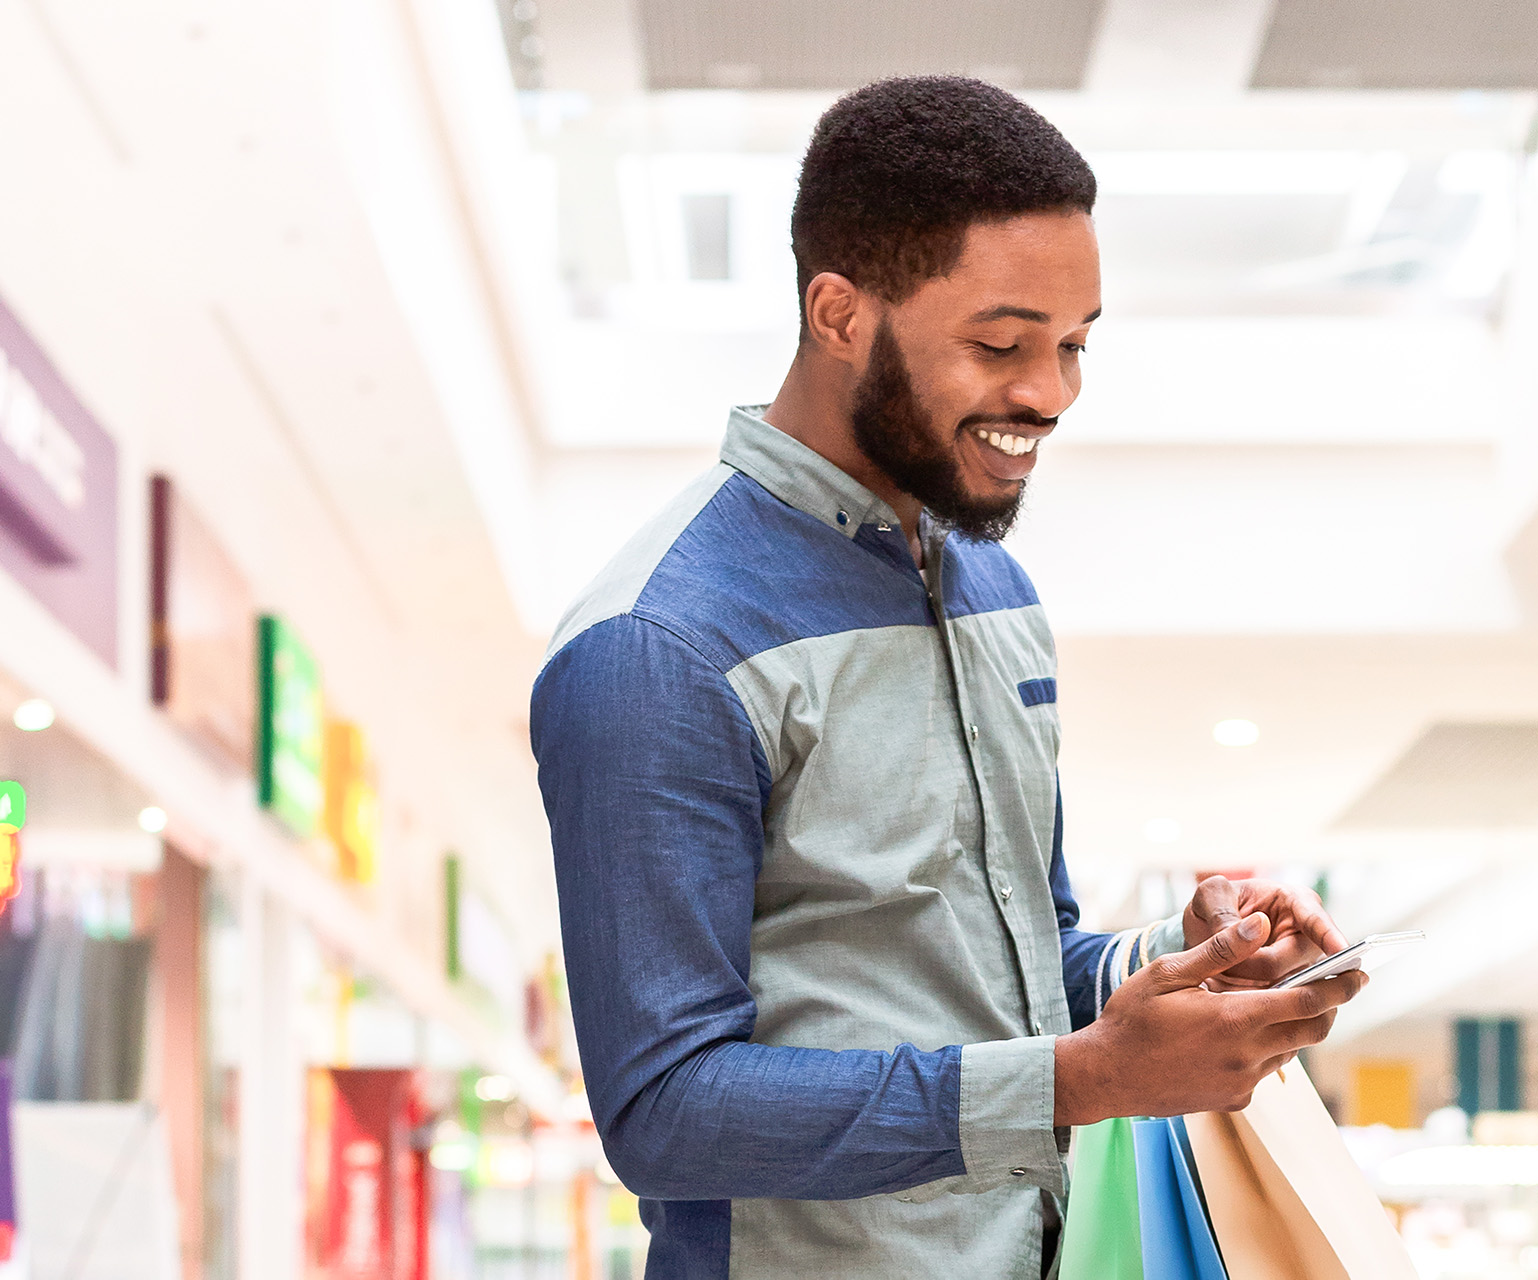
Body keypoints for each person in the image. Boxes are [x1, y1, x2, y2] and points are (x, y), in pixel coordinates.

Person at [530, 75, 1366, 1280]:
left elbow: (1023, 962)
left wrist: (1169, 971)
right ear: (839, 312)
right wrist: (1085, 1078)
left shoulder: (994, 596)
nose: (1051, 394)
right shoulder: (658, 645)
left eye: (1075, 344)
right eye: (1001, 343)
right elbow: (665, 1108)